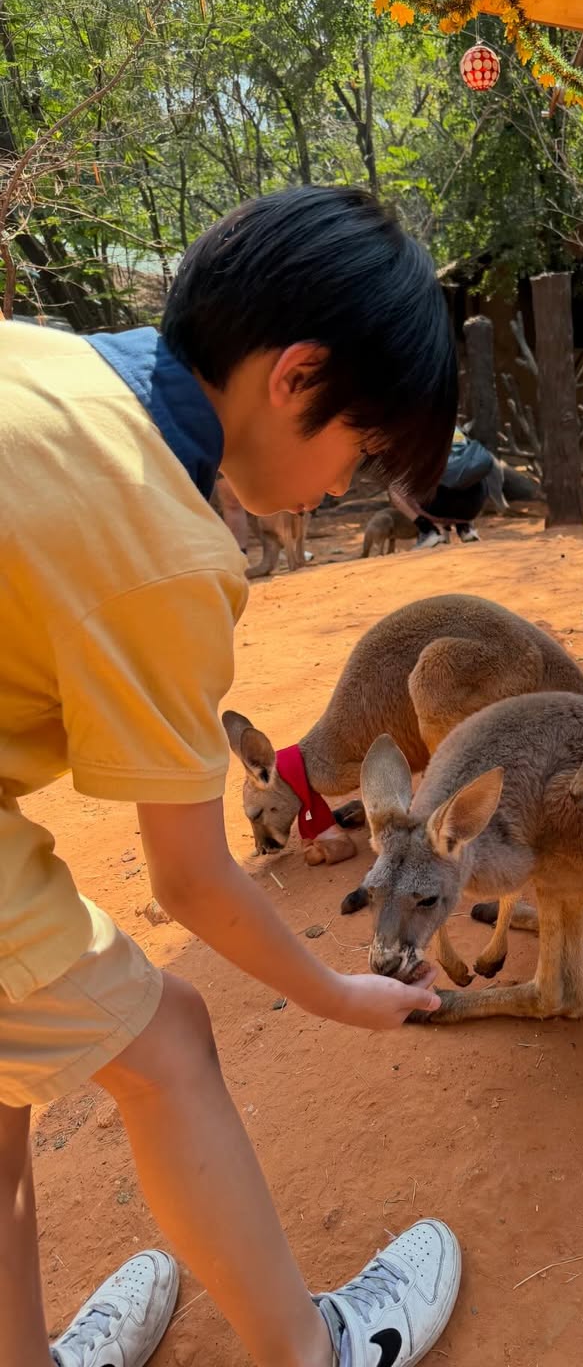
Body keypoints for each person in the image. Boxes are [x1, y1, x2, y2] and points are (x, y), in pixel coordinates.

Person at [1, 187, 463, 1367]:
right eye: (357, 450)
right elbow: (192, 883)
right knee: (170, 1042)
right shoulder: (164, 547)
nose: (338, 489)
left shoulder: (47, 364)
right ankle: (310, 1352)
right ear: (295, 378)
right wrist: (335, 992)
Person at [392, 428, 495, 547]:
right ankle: (465, 529)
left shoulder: (415, 431)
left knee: (394, 485)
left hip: (437, 507)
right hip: (472, 508)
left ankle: (428, 532)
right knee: (470, 465)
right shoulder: (456, 428)